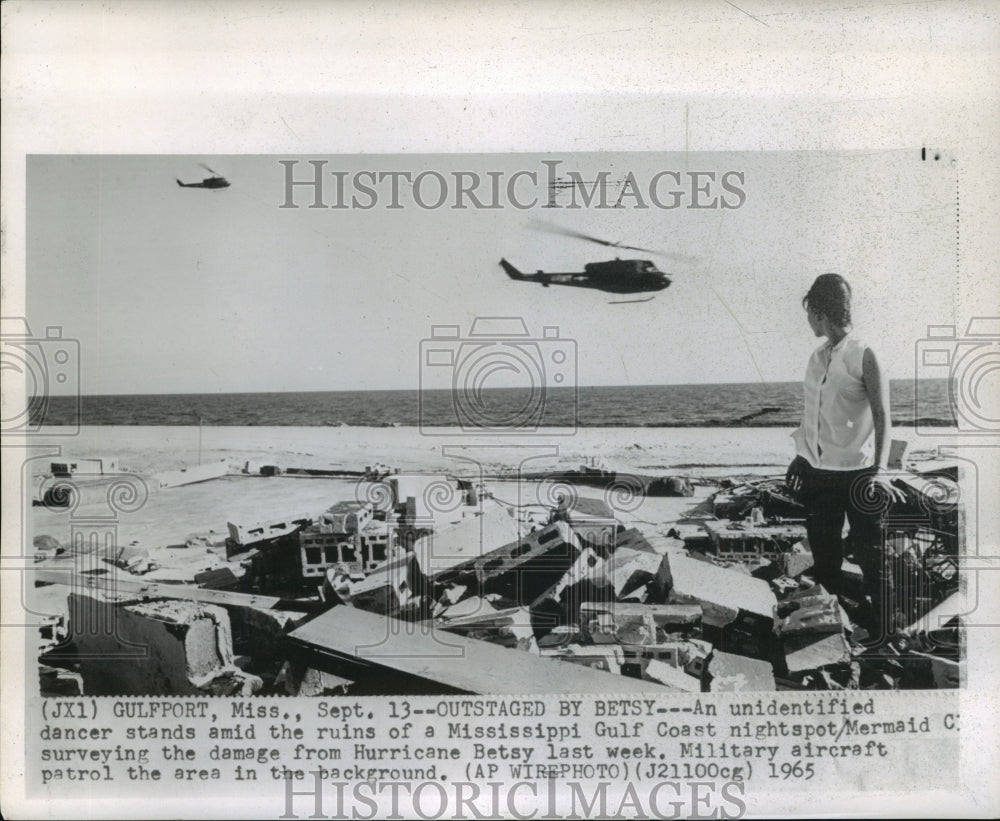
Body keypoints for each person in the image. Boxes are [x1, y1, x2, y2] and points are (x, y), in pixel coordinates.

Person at [785, 274, 906, 641]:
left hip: (860, 474)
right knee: (825, 559)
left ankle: (888, 633)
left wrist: (881, 472)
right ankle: (831, 630)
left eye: (809, 313)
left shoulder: (864, 354)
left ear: (820, 312)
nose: (808, 321)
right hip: (820, 475)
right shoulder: (817, 357)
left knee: (871, 557)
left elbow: (884, 415)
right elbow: (814, 415)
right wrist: (801, 456)